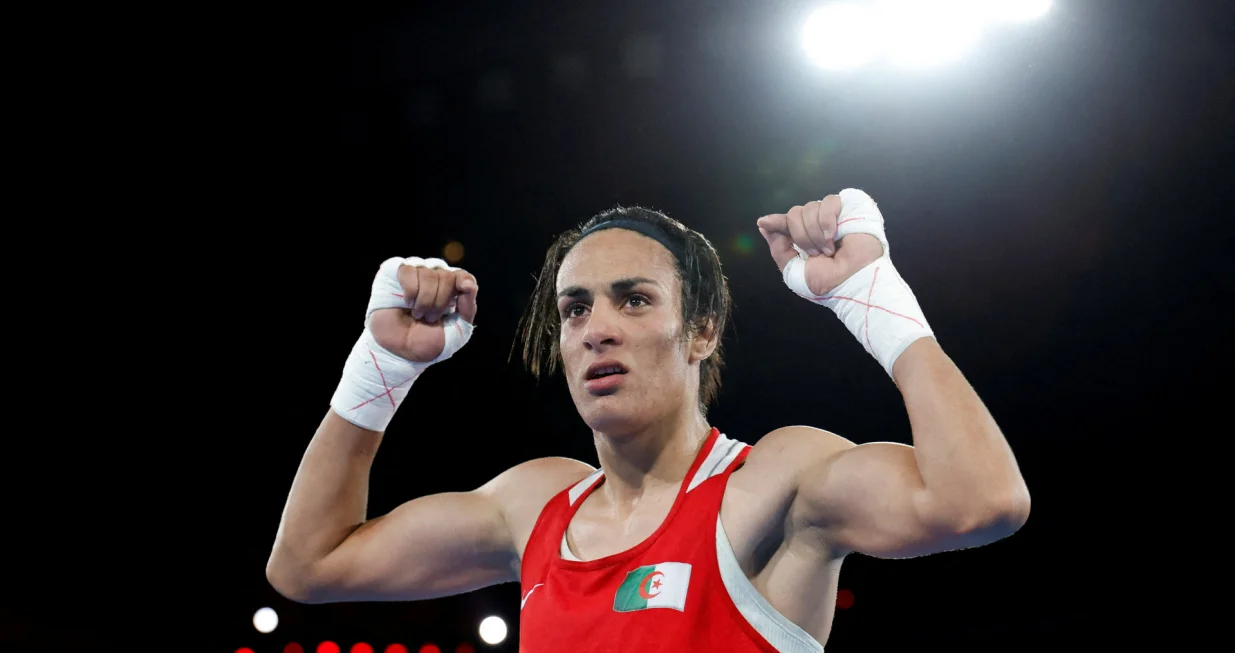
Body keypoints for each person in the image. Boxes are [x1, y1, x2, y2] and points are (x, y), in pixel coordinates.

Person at [266, 188, 1031, 652]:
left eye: (633, 300)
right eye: (575, 309)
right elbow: (306, 564)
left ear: (700, 331)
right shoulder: (533, 507)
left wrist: (872, 297)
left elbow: (981, 500)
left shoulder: (772, 483)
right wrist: (381, 368)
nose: (596, 329)